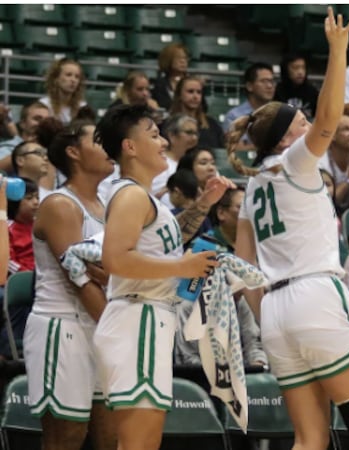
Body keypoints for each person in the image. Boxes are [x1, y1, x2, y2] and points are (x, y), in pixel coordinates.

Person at [228, 9, 349, 450]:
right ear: (285, 140)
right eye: (298, 125)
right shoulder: (297, 162)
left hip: (276, 310)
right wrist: (338, 51)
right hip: (315, 295)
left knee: (309, 438)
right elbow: (329, 119)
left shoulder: (254, 182)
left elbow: (243, 266)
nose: (308, 128)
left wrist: (269, 318)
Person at [91, 104, 231, 450]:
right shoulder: (130, 196)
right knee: (139, 442)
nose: (164, 142)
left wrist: (205, 203)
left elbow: (166, 243)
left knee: (141, 441)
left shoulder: (144, 197)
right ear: (130, 147)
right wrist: (181, 268)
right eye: (154, 135)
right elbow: (115, 258)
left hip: (146, 318)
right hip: (138, 319)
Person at [23, 118, 116, 450]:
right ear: (74, 152)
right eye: (100, 142)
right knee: (66, 439)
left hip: (97, 325)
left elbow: (110, 275)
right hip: (62, 329)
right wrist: (120, 329)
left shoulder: (107, 206)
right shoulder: (59, 205)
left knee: (110, 437)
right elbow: (80, 279)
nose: (110, 148)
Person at [174, 187, 268, 369]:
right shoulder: (204, 246)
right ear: (222, 213)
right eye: (241, 207)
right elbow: (188, 294)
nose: (248, 214)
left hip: (254, 319)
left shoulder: (263, 245)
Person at [224, 63, 276, 152]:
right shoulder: (234, 116)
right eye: (264, 81)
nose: (270, 86)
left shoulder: (280, 113)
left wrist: (250, 146)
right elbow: (237, 149)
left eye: (271, 81)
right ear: (249, 86)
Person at [152, 114, 199, 208]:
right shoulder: (159, 161)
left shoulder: (200, 162)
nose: (194, 138)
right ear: (172, 135)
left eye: (196, 133)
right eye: (189, 132)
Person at [168, 76, 225, 149]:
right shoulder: (169, 124)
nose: (195, 96)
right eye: (190, 91)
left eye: (199, 92)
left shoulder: (213, 125)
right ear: (179, 95)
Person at [39, 58, 87, 125]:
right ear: (56, 79)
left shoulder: (82, 107)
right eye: (68, 75)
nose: (73, 80)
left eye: (77, 77)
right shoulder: (44, 105)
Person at [7, 177, 38, 275]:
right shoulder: (7, 230)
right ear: (14, 203)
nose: (36, 202)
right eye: (29, 198)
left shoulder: (41, 225)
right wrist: (26, 275)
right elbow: (8, 262)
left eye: (37, 197)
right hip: (23, 279)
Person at [274, 52, 319, 120]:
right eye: (295, 68)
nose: (300, 72)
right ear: (286, 70)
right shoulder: (277, 91)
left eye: (303, 68)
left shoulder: (312, 91)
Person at [151, 42, 190, 110]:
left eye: (185, 58)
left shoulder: (192, 82)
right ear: (168, 60)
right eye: (179, 58)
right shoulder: (160, 84)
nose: (183, 61)